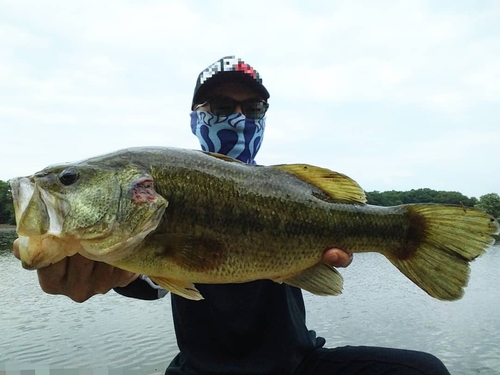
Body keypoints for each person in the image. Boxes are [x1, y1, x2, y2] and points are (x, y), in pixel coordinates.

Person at [13, 56, 451, 375]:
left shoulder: (287, 189)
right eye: (221, 107)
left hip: (298, 364)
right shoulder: (157, 202)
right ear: (195, 119)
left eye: (253, 109)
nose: (239, 118)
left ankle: (404, 231)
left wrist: (320, 255)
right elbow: (149, 279)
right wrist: (111, 273)